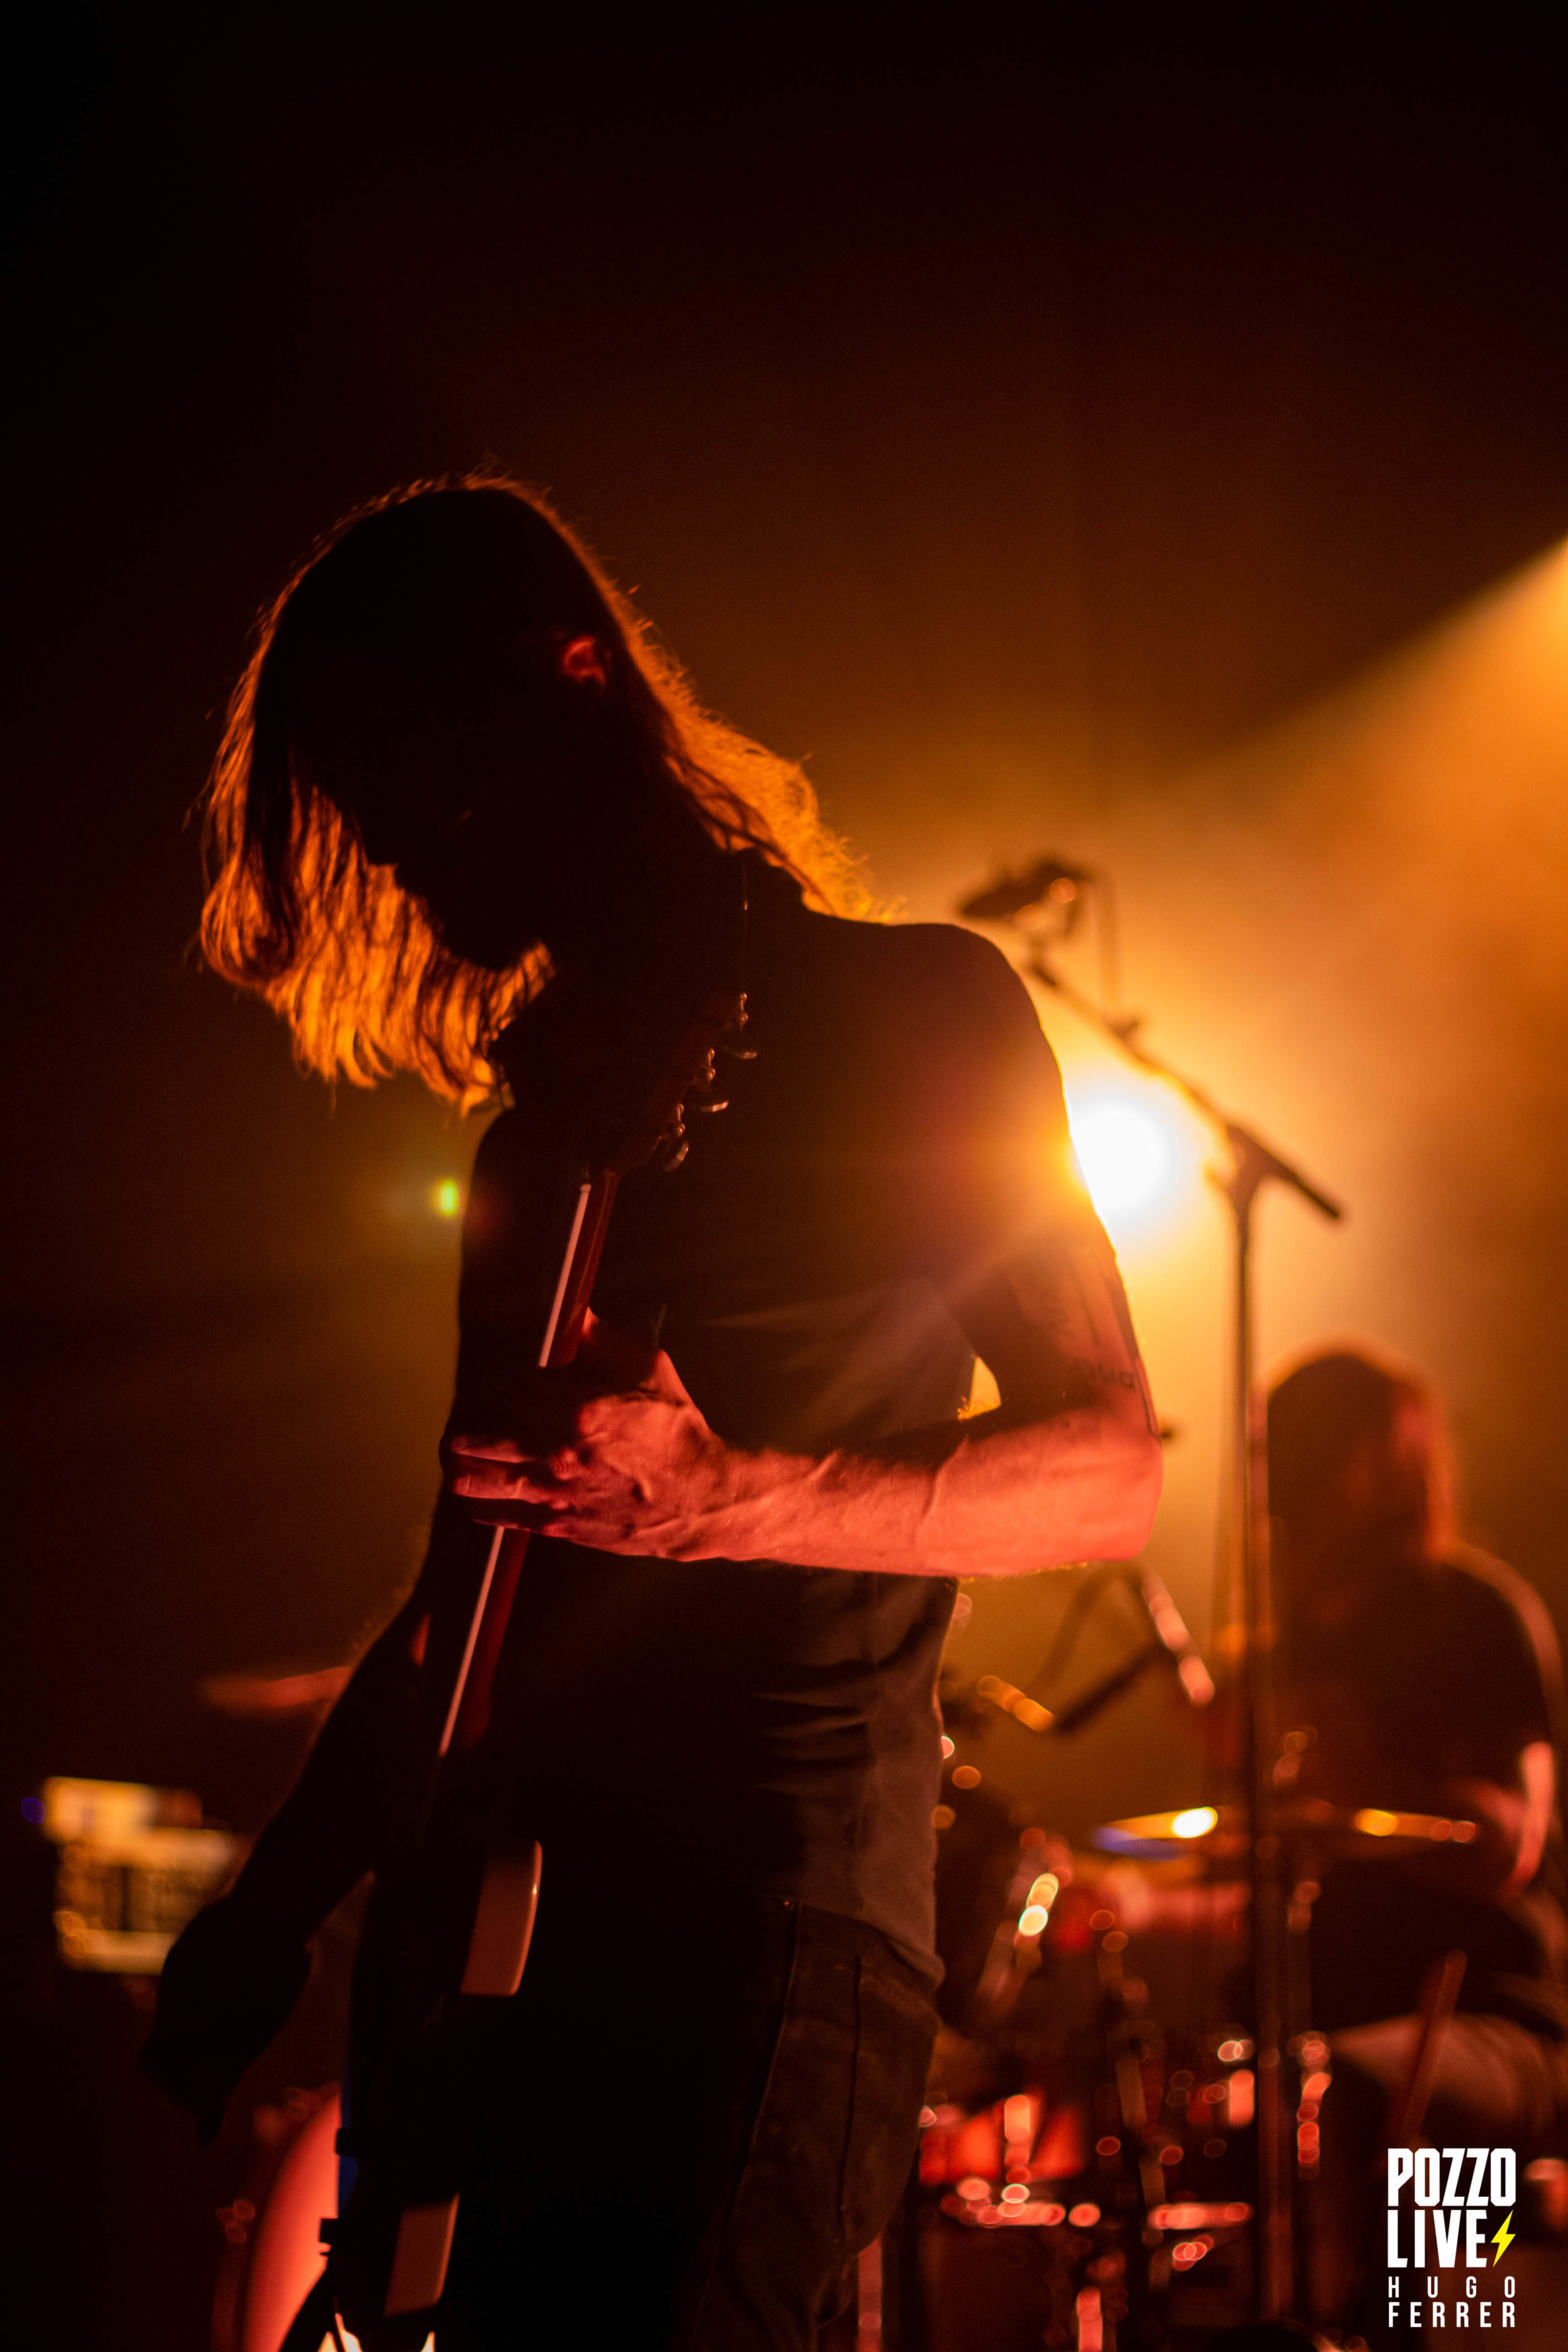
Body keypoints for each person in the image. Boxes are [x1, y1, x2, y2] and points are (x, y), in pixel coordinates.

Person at [140, 476, 1162, 2350]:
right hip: (528, 1941)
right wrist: (271, 1906)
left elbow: (1105, 1466)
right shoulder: (535, 1157)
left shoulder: (911, 1012)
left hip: (768, 1923)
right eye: (376, 819)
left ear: (576, 681)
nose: (421, 864)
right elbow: (472, 1594)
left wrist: (738, 1491)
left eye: (436, 787)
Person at [1264, 1347, 1568, 2338]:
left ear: (1380, 1461)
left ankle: (1455, 2280)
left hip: (1496, 2023)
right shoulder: (1286, 1647)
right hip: (1335, 2028)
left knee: (1342, 2093)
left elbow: (1507, 1849)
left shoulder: (1474, 1613)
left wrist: (1368, 1786)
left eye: (1313, 1452)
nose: (1285, 1485)